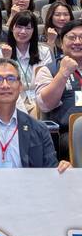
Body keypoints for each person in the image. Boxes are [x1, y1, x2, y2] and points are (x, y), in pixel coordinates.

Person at [35, 18, 82, 157]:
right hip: (68, 134)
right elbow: (45, 105)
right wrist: (63, 73)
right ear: (61, 42)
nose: (78, 42)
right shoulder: (49, 70)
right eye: (72, 37)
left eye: (81, 38)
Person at [0, 11, 52, 112]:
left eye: (28, 28)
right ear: (12, 28)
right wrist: (7, 60)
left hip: (39, 100)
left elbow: (48, 83)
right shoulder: (2, 52)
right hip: (14, 100)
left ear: (33, 31)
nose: (23, 32)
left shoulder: (44, 51)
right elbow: (1, 83)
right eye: (19, 27)